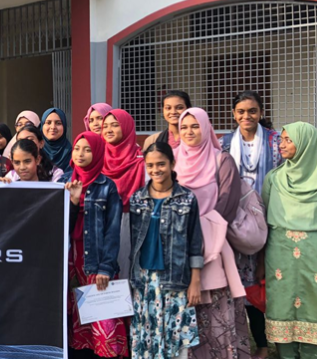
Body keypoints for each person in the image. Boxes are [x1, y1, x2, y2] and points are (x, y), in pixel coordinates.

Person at [173, 108, 249, 359]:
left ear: (206, 127)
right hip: (178, 248)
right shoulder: (172, 158)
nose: (189, 132)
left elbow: (227, 203)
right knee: (185, 317)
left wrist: (201, 233)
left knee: (216, 317)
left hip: (214, 246)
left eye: (195, 126)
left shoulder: (221, 160)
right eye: (184, 127)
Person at [262, 122, 317, 358]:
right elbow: (264, 219)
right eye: (281, 139)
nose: (281, 145)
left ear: (306, 144)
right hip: (279, 257)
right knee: (281, 310)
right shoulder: (273, 179)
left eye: (288, 140)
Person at [220, 91, 283, 358]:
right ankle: (237, 342)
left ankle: (267, 344)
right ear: (234, 114)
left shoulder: (275, 142)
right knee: (238, 284)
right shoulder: (224, 144)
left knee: (261, 282)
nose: (247, 116)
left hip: (269, 218)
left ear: (261, 112)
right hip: (236, 223)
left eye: (252, 111)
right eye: (241, 111)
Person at [129, 142, 202, 359]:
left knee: (175, 338)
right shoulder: (137, 199)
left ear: (172, 163)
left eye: (161, 164)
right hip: (144, 280)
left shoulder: (187, 199)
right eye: (150, 165)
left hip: (174, 278)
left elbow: (195, 242)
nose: (156, 170)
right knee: (146, 336)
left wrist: (195, 281)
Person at [62, 131, 126, 359]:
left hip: (95, 262)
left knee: (102, 325)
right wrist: (73, 201)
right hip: (69, 262)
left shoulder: (107, 186)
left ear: (98, 153)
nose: (81, 154)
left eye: (88, 149)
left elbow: (113, 230)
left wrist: (106, 268)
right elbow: (59, 225)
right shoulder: (63, 183)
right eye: (77, 148)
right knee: (72, 324)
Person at [102, 109, 147, 279]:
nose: (109, 130)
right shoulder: (97, 158)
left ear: (126, 127)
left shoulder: (141, 162)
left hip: (130, 221)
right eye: (105, 126)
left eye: (115, 125)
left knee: (127, 273)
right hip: (100, 220)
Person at [41, 107, 73, 173]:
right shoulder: (36, 151)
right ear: (42, 126)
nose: (53, 127)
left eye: (58, 123)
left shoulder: (71, 154)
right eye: (48, 123)